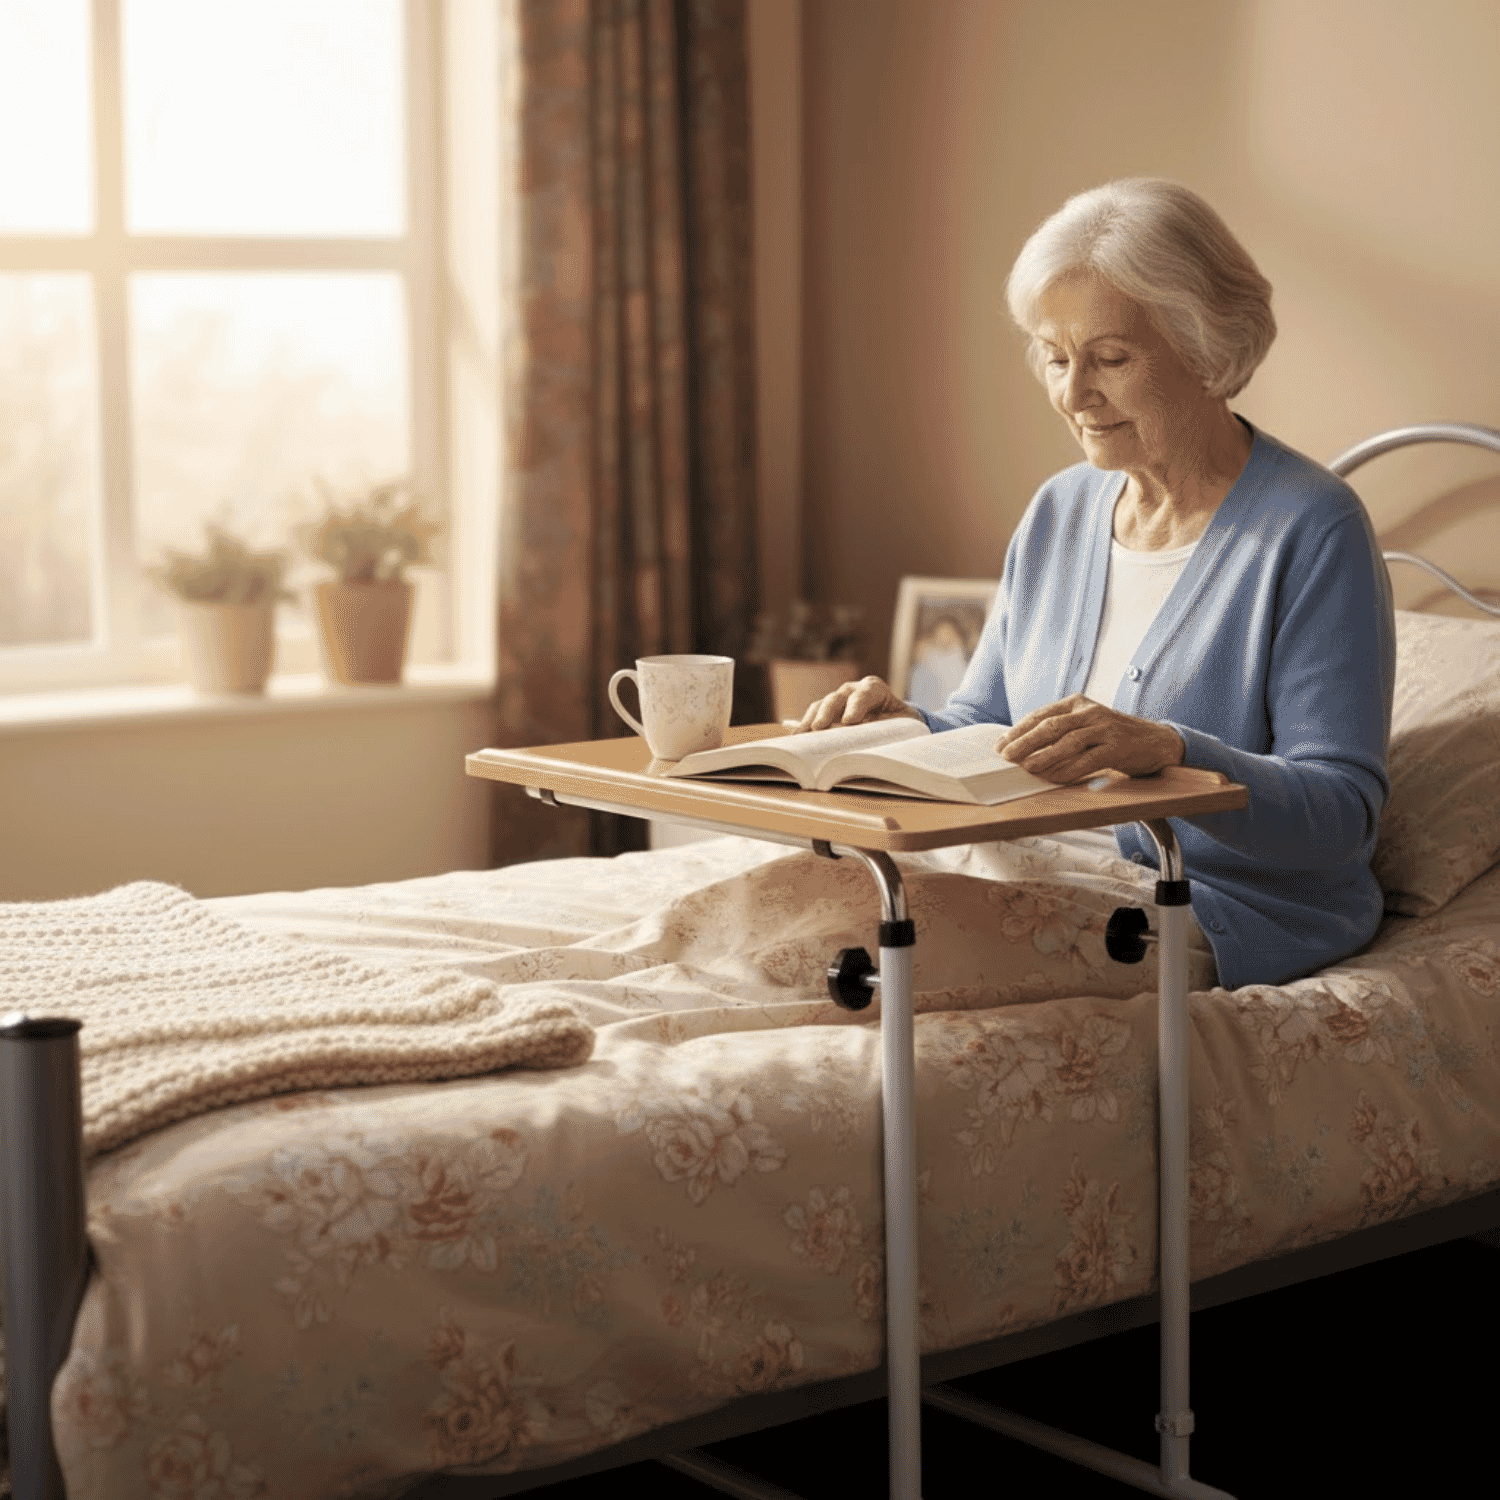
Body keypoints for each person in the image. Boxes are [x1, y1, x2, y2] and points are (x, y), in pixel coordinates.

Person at [796, 178, 1395, 990]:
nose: (1074, 395)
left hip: (1198, 907)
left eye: (1111, 359)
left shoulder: (1313, 528)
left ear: (1208, 350)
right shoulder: (1060, 509)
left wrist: (1174, 753)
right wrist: (904, 728)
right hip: (1016, 879)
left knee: (854, 973)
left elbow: (1343, 818)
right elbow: (990, 725)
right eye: (1054, 356)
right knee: (775, 916)